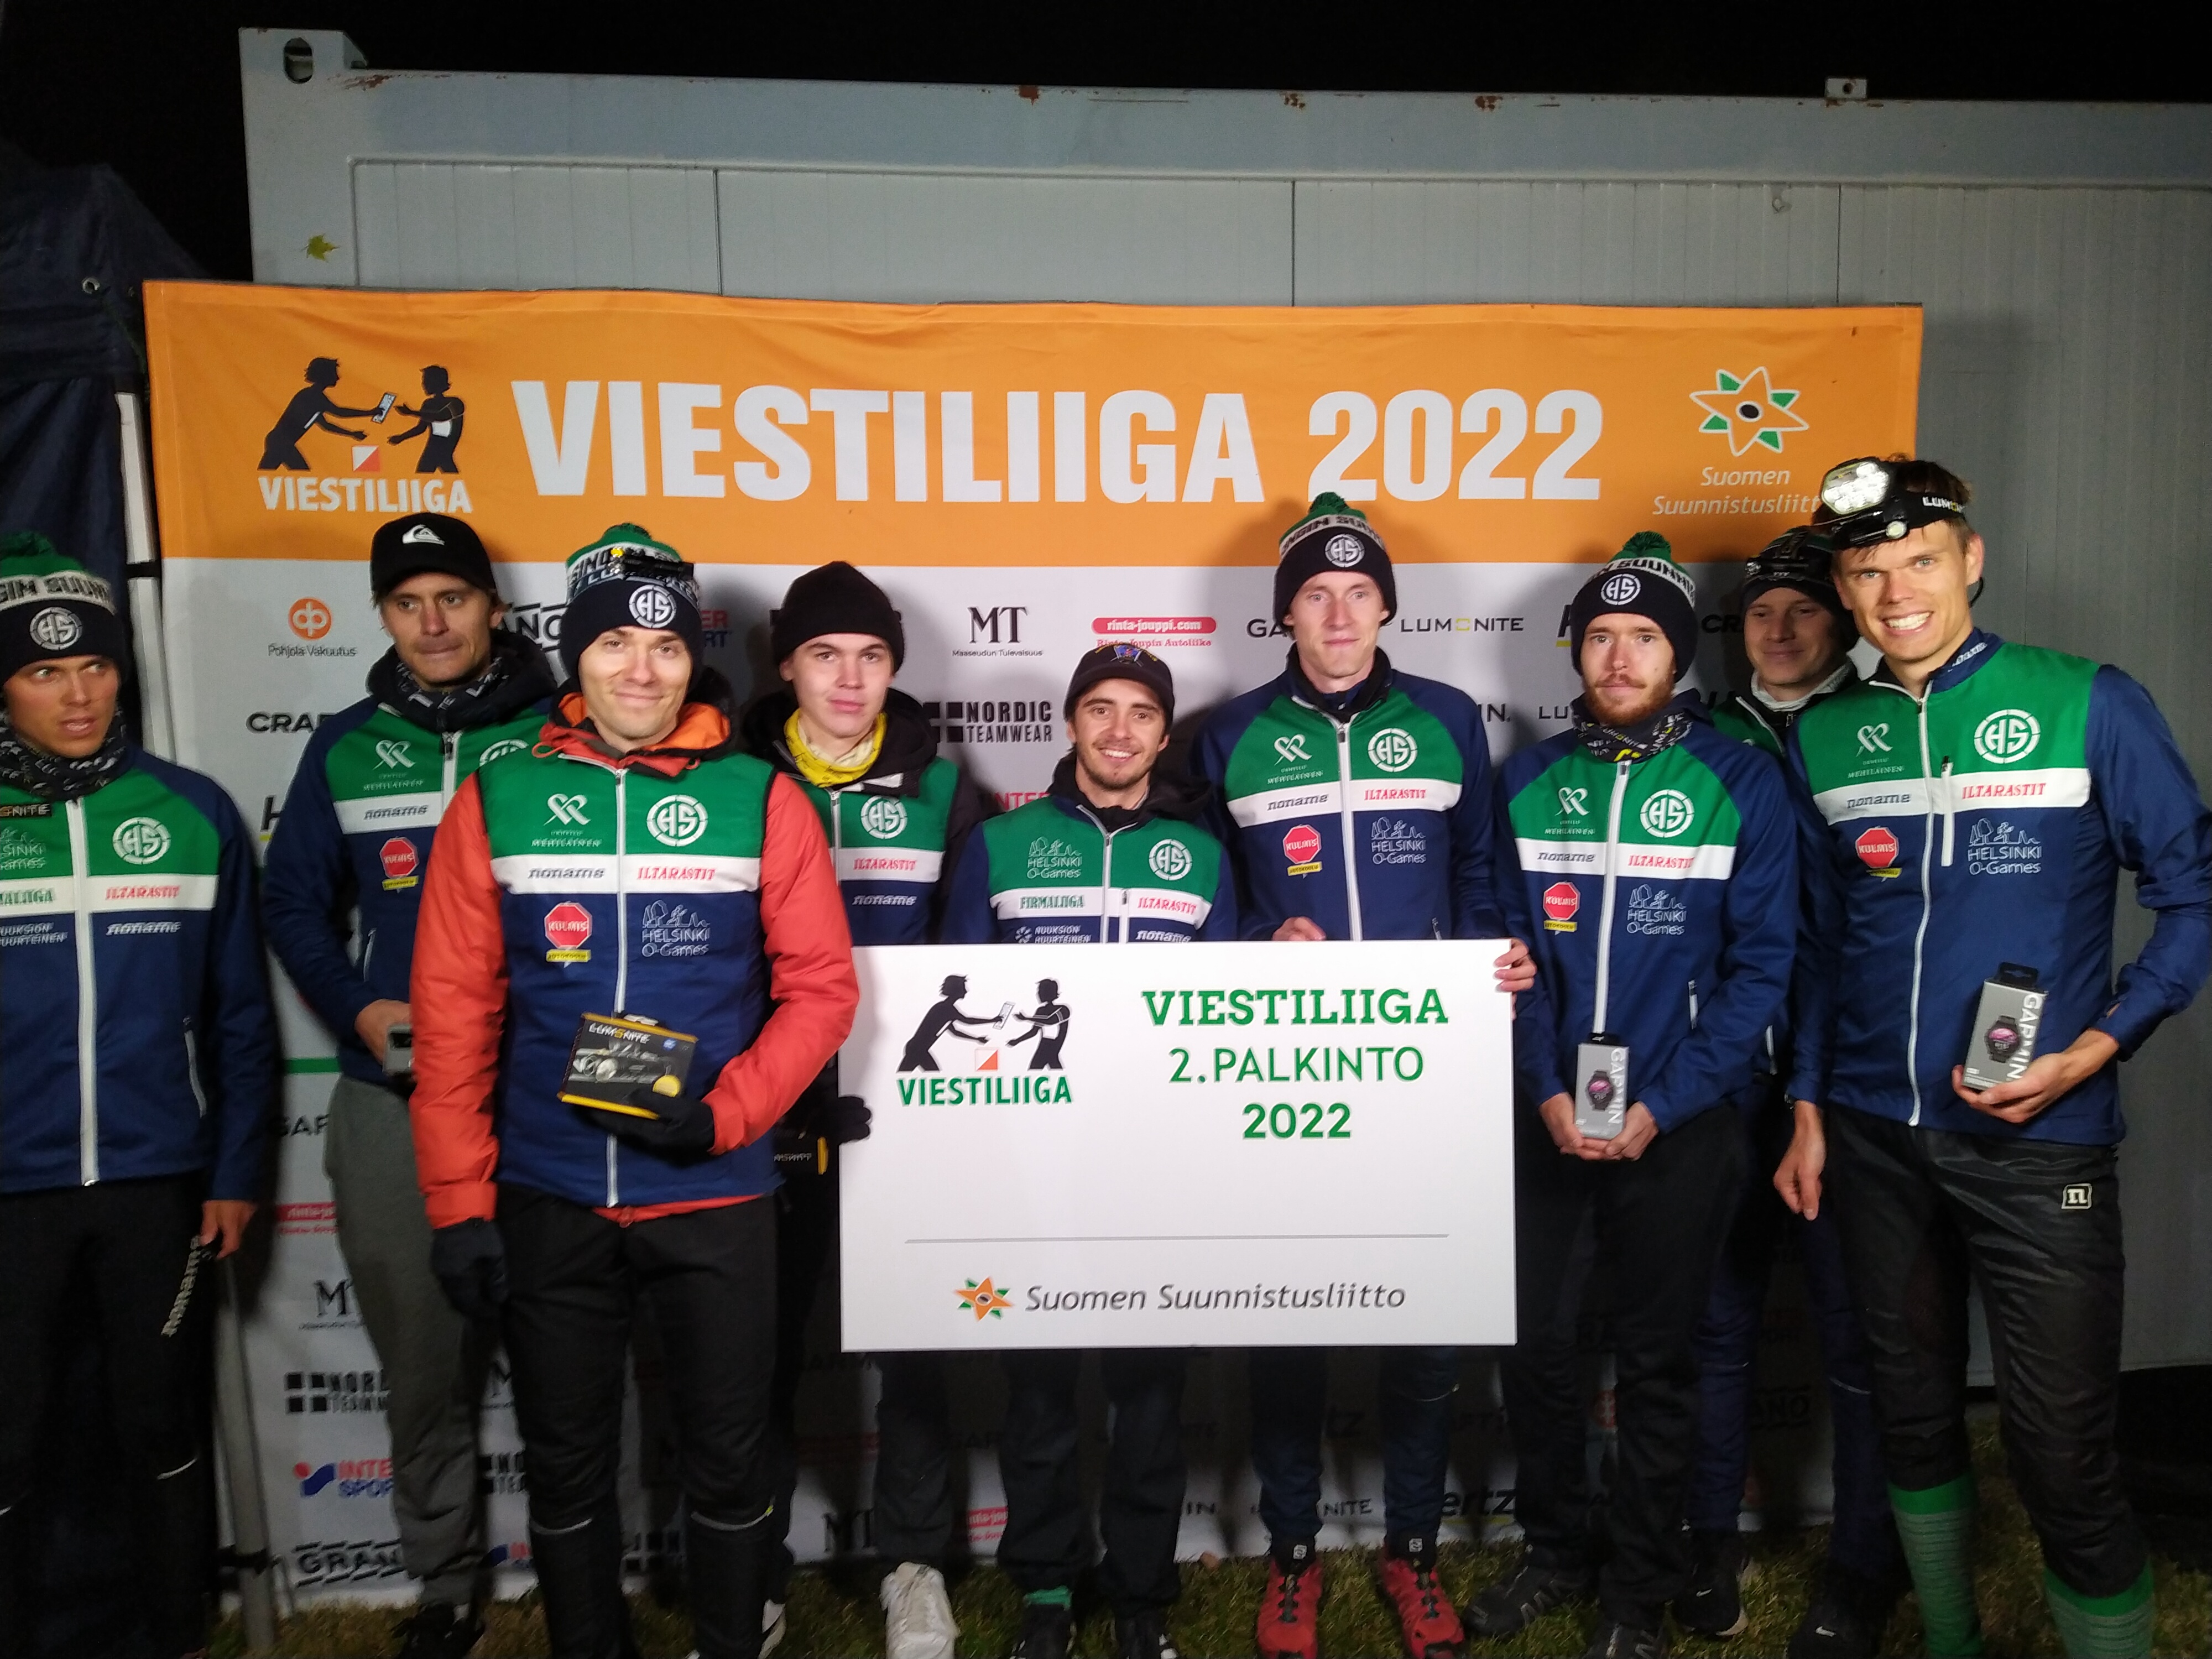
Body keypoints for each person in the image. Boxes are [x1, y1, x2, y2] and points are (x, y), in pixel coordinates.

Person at [1778, 458, 2212, 1659]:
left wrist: (2098, 1046)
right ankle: (1950, 1642)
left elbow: (2192, 894)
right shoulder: (1826, 733)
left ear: (1969, 560)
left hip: (2038, 1138)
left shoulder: (2087, 701)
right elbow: (1818, 945)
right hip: (1872, 1134)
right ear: (1843, 591)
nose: (1896, 593)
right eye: (1868, 573)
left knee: (2059, 1452)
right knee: (1912, 1417)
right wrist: (1808, 1106)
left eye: (1919, 562)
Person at [408, 525, 858, 1659]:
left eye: (665, 646)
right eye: (615, 644)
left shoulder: (763, 798)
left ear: (693, 657)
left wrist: (724, 1115)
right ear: (576, 654)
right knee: (565, 1465)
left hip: (715, 1191)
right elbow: (454, 1011)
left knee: (729, 1456)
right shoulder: (497, 795)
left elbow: (821, 991)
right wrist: (459, 1202)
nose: (642, 670)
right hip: (549, 1190)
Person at [1191, 492, 1531, 1659]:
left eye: (1358, 594)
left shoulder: (1447, 720)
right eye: (1315, 596)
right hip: (1284, 1079)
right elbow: (1204, 895)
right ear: (1283, 613)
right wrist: (1254, 940)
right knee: (1288, 1318)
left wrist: (1490, 967)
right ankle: (1292, 1555)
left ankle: (1412, 1550)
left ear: (1386, 607)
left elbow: (1479, 874)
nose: (1337, 615)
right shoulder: (1227, 735)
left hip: (1423, 1074)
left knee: (1425, 1324)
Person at [1473, 531, 1798, 1659]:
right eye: (1600, 637)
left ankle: (1638, 1592)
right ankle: (1555, 1550)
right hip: (1548, 1119)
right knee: (1536, 1350)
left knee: (1660, 1360)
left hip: (1683, 1121)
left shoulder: (1739, 780)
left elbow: (1763, 968)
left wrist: (1664, 1102)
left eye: (1644, 637)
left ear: (1677, 654)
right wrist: (1544, 1093)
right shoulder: (1527, 780)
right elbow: (1503, 957)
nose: (1619, 658)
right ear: (1575, 652)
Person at [262, 511, 557, 1659]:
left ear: (494, 607)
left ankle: (594, 1563)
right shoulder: (345, 745)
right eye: (406, 602)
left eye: (454, 598)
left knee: (574, 1348)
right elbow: (293, 902)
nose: (432, 623)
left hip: (540, 1096)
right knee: (424, 1364)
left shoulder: (560, 733)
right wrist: (355, 1005)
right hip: (395, 1094)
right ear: (383, 615)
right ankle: (445, 1584)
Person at [0, 532, 277, 1658]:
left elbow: (242, 1018)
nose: (79, 694)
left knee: (162, 1427)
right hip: (11, 1192)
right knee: (9, 1438)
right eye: (44, 671)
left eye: (97, 666)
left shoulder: (193, 810)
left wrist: (236, 1171)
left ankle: (177, 1640)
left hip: (159, 1186)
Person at [942, 642, 1238, 1659]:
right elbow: (952, 1008)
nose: (1120, 731)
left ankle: (1142, 1594)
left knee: (1149, 1392)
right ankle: (1047, 1588)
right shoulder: (1001, 843)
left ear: (1163, 733)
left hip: (1157, 1169)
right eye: (1100, 708)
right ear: (1070, 723)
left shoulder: (1203, 853)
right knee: (1039, 1389)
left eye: (1142, 713)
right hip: (1031, 1169)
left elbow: (1229, 1018)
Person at [739, 560, 994, 1659]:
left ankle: (914, 1566)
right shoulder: (732, 779)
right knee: (754, 1353)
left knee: (914, 1350)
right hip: (765, 1114)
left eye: (871, 656)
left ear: (894, 668)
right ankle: (750, 1573)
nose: (849, 679)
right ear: (786, 666)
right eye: (825, 655)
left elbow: (971, 952)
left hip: (899, 1119)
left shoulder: (942, 787)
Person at [1674, 527, 1905, 1658]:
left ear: (1842, 620)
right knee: (1717, 1322)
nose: (1776, 628)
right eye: (1760, 610)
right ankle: (1707, 1542)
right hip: (1726, 1076)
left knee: (1856, 1335)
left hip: (1851, 1081)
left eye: (1802, 608)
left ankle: (1862, 1563)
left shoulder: (1881, 726)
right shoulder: (1701, 735)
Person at [389, 367, 466, 474]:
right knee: (422, 476)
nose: (424, 384)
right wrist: (401, 437)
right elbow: (421, 428)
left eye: (426, 381)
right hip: (432, 448)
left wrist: (412, 412)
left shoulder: (456, 403)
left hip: (445, 450)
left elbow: (441, 416)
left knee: (452, 476)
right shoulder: (428, 404)